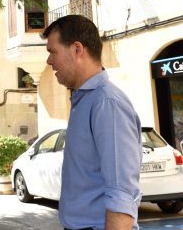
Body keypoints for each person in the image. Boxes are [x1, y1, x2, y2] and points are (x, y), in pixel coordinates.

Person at [42, 15, 142, 230]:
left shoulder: (106, 103)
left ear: (77, 49)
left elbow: (122, 194)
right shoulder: (85, 100)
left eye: (53, 52)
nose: (49, 61)